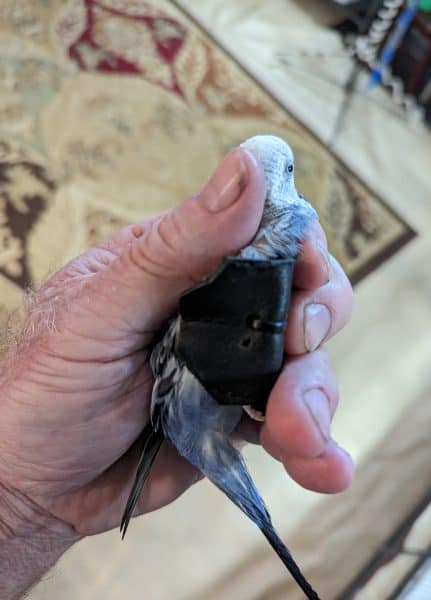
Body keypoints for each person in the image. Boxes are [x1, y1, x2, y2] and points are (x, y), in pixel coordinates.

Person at [0, 148, 354, 598]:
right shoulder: (242, 242)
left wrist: (19, 504)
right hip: (180, 408)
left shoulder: (281, 233)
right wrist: (16, 501)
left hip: (185, 406)